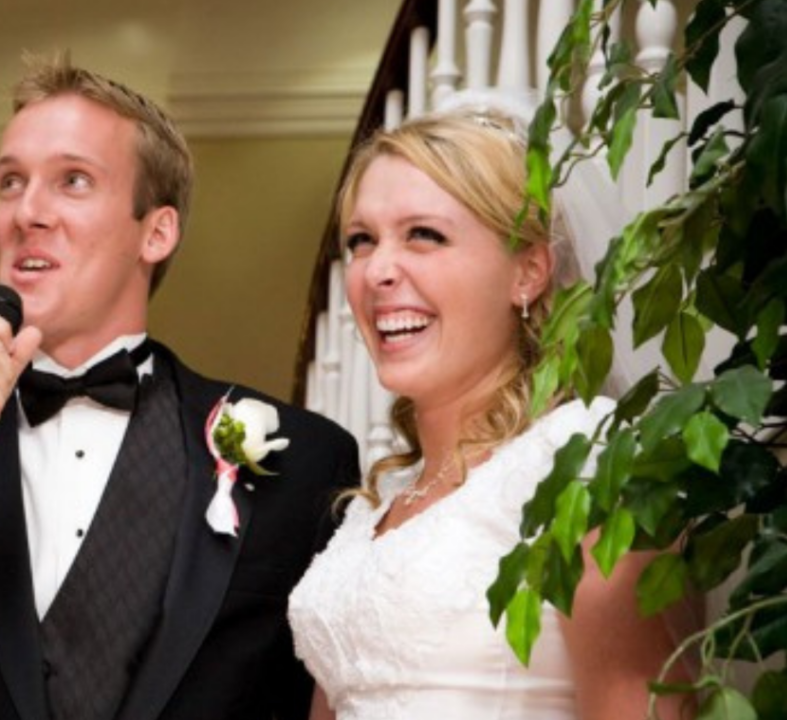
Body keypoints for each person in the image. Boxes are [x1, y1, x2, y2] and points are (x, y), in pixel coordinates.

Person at [0, 54, 360, 720]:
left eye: (72, 180)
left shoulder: (303, 462)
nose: (27, 212)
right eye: (10, 182)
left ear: (157, 232)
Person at [287, 107, 695, 720]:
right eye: (361, 240)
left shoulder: (591, 460)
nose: (378, 270)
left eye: (424, 234)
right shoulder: (377, 507)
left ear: (528, 271)